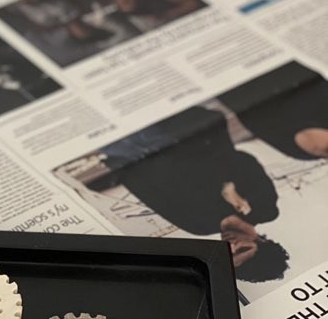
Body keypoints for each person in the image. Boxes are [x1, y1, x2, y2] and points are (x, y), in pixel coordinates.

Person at [92, 106, 290, 283]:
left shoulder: (198, 227)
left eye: (230, 255)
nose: (231, 246)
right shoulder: (263, 207)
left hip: (132, 154)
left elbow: (151, 195)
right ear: (263, 241)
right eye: (243, 249)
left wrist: (120, 165)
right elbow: (243, 159)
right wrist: (228, 186)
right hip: (180, 134)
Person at [218, 61, 328, 160]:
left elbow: (250, 116)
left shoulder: (301, 152)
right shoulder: (302, 152)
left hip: (236, 74)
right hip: (275, 63)